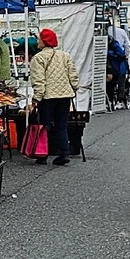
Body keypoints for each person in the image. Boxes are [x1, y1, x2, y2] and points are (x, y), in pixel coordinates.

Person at [29, 28, 79, 166]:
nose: (38, 41)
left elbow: (39, 81)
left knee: (45, 125)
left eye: (40, 39)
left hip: (48, 96)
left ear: (44, 41)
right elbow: (73, 75)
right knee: (61, 125)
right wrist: (74, 88)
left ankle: (43, 155)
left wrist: (36, 98)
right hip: (64, 95)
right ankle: (64, 153)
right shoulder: (65, 55)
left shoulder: (38, 58)